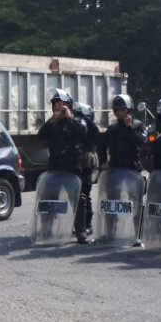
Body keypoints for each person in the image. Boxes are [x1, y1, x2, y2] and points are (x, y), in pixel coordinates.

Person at [37, 89, 90, 243]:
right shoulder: (52, 124)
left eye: (62, 105)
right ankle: (47, 230)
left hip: (72, 167)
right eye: (56, 105)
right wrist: (51, 120)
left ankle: (81, 232)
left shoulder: (76, 121)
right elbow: (40, 136)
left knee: (78, 198)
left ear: (69, 106)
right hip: (55, 167)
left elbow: (83, 132)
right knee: (49, 198)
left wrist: (69, 118)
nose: (59, 108)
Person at [98, 94, 146, 171]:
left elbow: (142, 143)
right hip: (115, 169)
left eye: (122, 110)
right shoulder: (112, 129)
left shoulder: (137, 126)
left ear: (129, 110)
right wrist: (103, 163)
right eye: (117, 110)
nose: (119, 113)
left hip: (133, 170)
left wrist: (129, 127)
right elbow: (101, 147)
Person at [74, 102, 100, 238]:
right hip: (75, 163)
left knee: (85, 193)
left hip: (87, 163)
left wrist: (87, 120)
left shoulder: (91, 129)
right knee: (74, 195)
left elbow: (96, 136)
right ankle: (77, 225)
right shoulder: (75, 127)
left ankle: (87, 224)